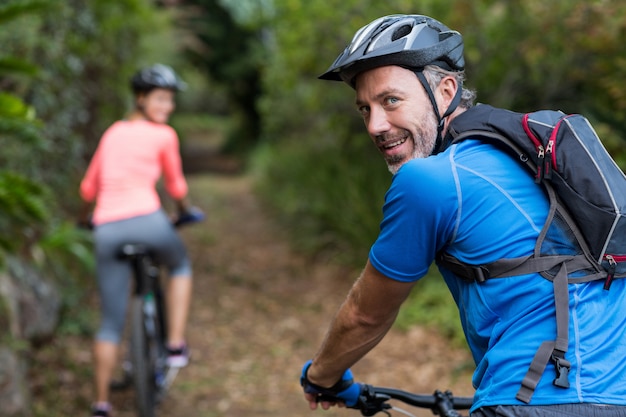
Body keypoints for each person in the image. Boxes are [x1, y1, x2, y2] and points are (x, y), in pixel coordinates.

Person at [300, 14, 626, 417]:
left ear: (446, 90)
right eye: (364, 109)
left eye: (390, 100)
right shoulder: (527, 162)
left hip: (530, 398)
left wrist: (322, 376)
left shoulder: (430, 180)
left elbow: (366, 315)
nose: (375, 125)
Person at [79, 63, 202, 417]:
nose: (168, 106)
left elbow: (88, 188)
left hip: (106, 228)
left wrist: (84, 216)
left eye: (170, 100)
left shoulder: (112, 133)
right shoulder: (164, 135)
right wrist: (184, 210)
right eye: (161, 99)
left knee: (109, 323)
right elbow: (176, 186)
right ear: (140, 98)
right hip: (148, 220)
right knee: (179, 264)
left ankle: (101, 403)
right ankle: (175, 345)